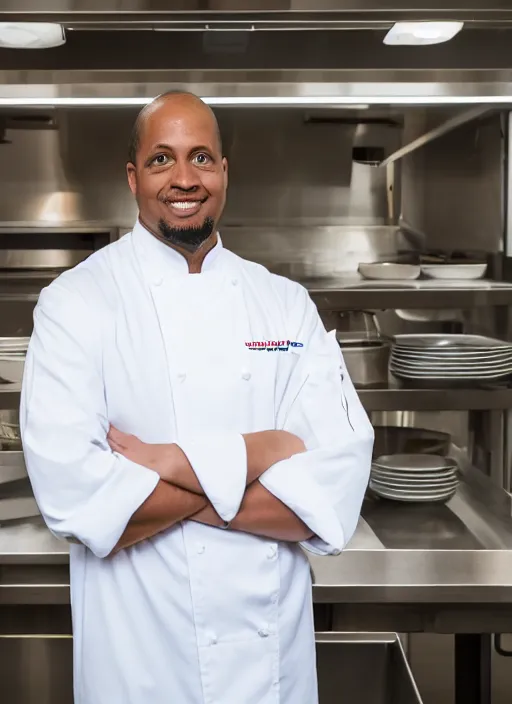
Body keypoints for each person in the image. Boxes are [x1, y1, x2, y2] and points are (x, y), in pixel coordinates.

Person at [20, 91, 373, 704]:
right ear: (133, 177)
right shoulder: (75, 304)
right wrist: (265, 453)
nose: (185, 179)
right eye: (162, 159)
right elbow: (79, 500)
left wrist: (170, 464)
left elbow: (331, 498)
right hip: (139, 667)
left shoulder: (284, 305)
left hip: (272, 672)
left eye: (201, 158)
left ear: (224, 171)